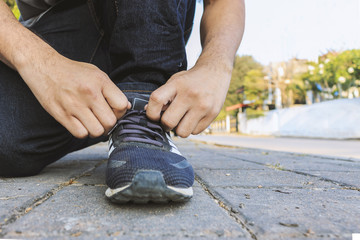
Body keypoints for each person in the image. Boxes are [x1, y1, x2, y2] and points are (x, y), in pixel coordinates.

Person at [0, 0, 245, 203]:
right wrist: (42, 65)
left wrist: (217, 65)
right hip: (52, 31)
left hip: (151, 16)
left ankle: (141, 110)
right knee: (5, 142)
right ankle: (115, 116)